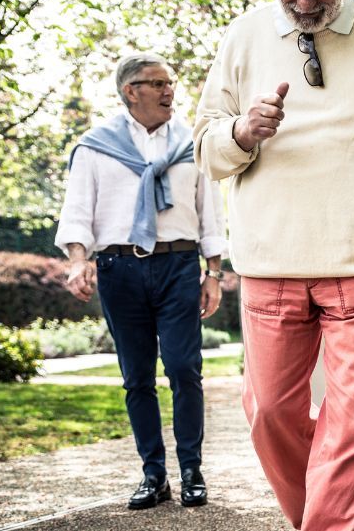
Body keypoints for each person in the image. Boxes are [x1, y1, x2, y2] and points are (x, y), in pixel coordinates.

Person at [192, 0, 354, 530]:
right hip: (270, 263)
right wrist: (241, 132)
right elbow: (207, 149)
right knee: (268, 415)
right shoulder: (241, 38)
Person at [56, 52, 225, 510]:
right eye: (159, 83)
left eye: (171, 82)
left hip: (178, 266)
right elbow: (78, 213)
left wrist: (214, 273)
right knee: (136, 378)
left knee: (185, 369)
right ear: (132, 91)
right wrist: (77, 261)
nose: (170, 90)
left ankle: (191, 470)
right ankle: (154, 475)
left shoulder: (193, 142)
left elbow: (210, 213)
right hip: (119, 269)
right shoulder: (95, 146)